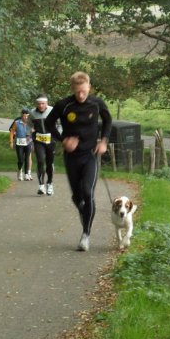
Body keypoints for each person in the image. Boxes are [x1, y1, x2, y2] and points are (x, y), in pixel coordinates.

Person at [45, 71, 112, 252]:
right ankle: (85, 212)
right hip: (72, 157)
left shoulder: (97, 104)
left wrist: (104, 141)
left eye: (84, 91)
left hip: (90, 154)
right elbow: (48, 124)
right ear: (72, 89)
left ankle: (86, 235)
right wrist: (62, 140)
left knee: (87, 192)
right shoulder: (64, 105)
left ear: (89, 87)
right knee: (77, 197)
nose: (81, 96)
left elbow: (108, 121)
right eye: (77, 92)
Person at [29, 95, 55, 195]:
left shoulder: (52, 111)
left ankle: (50, 184)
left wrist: (58, 135)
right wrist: (30, 131)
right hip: (39, 140)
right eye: (39, 103)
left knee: (49, 163)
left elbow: (59, 123)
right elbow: (29, 124)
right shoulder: (32, 112)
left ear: (46, 103)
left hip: (50, 140)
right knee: (40, 161)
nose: (40, 105)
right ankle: (41, 186)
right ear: (36, 104)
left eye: (43, 103)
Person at [9, 108, 33, 181]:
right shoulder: (17, 122)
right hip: (19, 143)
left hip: (28, 143)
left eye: (27, 116)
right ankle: (20, 171)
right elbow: (12, 131)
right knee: (21, 159)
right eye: (24, 116)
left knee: (27, 158)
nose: (25, 117)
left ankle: (26, 174)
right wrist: (11, 142)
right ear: (22, 115)